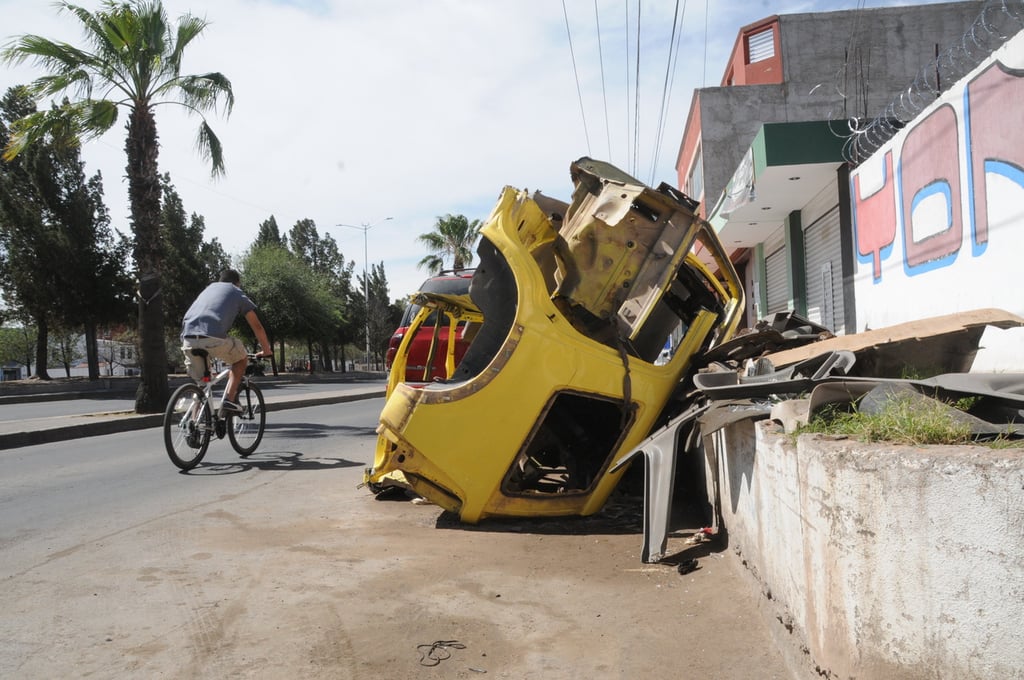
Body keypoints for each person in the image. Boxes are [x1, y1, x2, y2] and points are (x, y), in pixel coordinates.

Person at [180, 269, 272, 412]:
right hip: (212, 338)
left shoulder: (208, 290)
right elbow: (257, 326)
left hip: (188, 339)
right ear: (237, 283)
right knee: (240, 359)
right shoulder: (235, 291)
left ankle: (194, 427)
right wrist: (266, 350)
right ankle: (229, 400)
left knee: (202, 387)